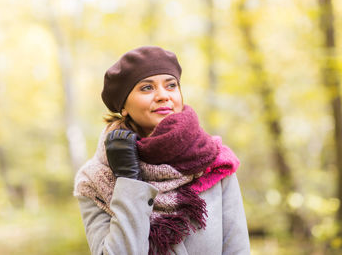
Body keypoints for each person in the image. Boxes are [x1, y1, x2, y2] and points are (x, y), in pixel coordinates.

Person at [74, 46, 250, 255]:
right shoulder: (94, 180)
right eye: (147, 88)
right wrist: (129, 181)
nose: (163, 96)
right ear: (123, 106)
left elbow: (237, 249)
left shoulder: (213, 161)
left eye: (171, 85)